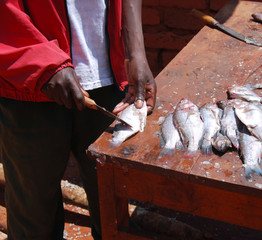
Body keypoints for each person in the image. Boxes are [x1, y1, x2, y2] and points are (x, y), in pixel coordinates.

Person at [0, 0, 156, 239]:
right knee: (34, 218)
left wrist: (135, 52)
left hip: (109, 76)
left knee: (112, 213)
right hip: (28, 81)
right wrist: (41, 62)